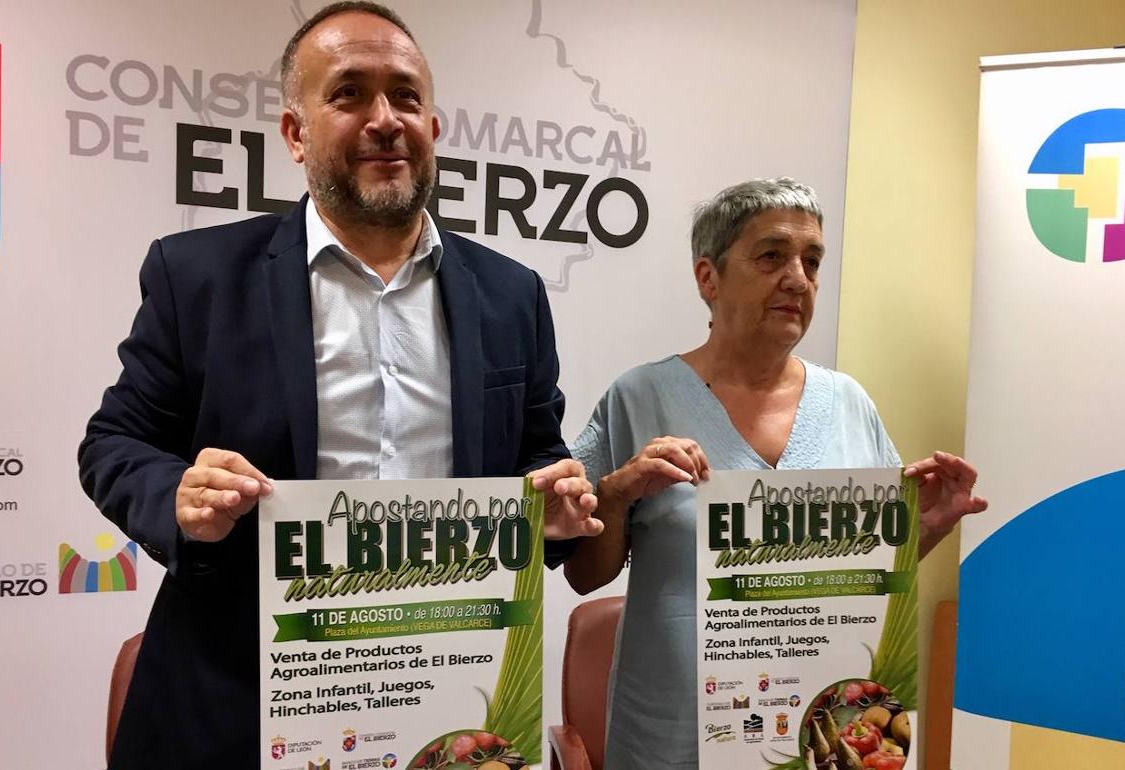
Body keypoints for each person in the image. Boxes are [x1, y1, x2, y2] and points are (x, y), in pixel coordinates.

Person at [78, 4, 599, 767]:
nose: (385, 119)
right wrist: (179, 496)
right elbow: (114, 443)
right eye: (349, 93)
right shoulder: (197, 278)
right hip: (240, 700)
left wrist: (548, 504)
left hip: (446, 698)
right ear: (295, 132)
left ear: (435, 126)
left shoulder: (511, 293)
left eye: (406, 96)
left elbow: (534, 451)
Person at [564, 178, 988, 768]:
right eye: (771, 256)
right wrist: (614, 493)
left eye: (811, 262)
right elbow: (584, 576)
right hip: (674, 737)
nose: (798, 279)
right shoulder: (640, 397)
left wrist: (930, 527)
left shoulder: (847, 404)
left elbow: (863, 578)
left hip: (820, 735)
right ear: (708, 278)